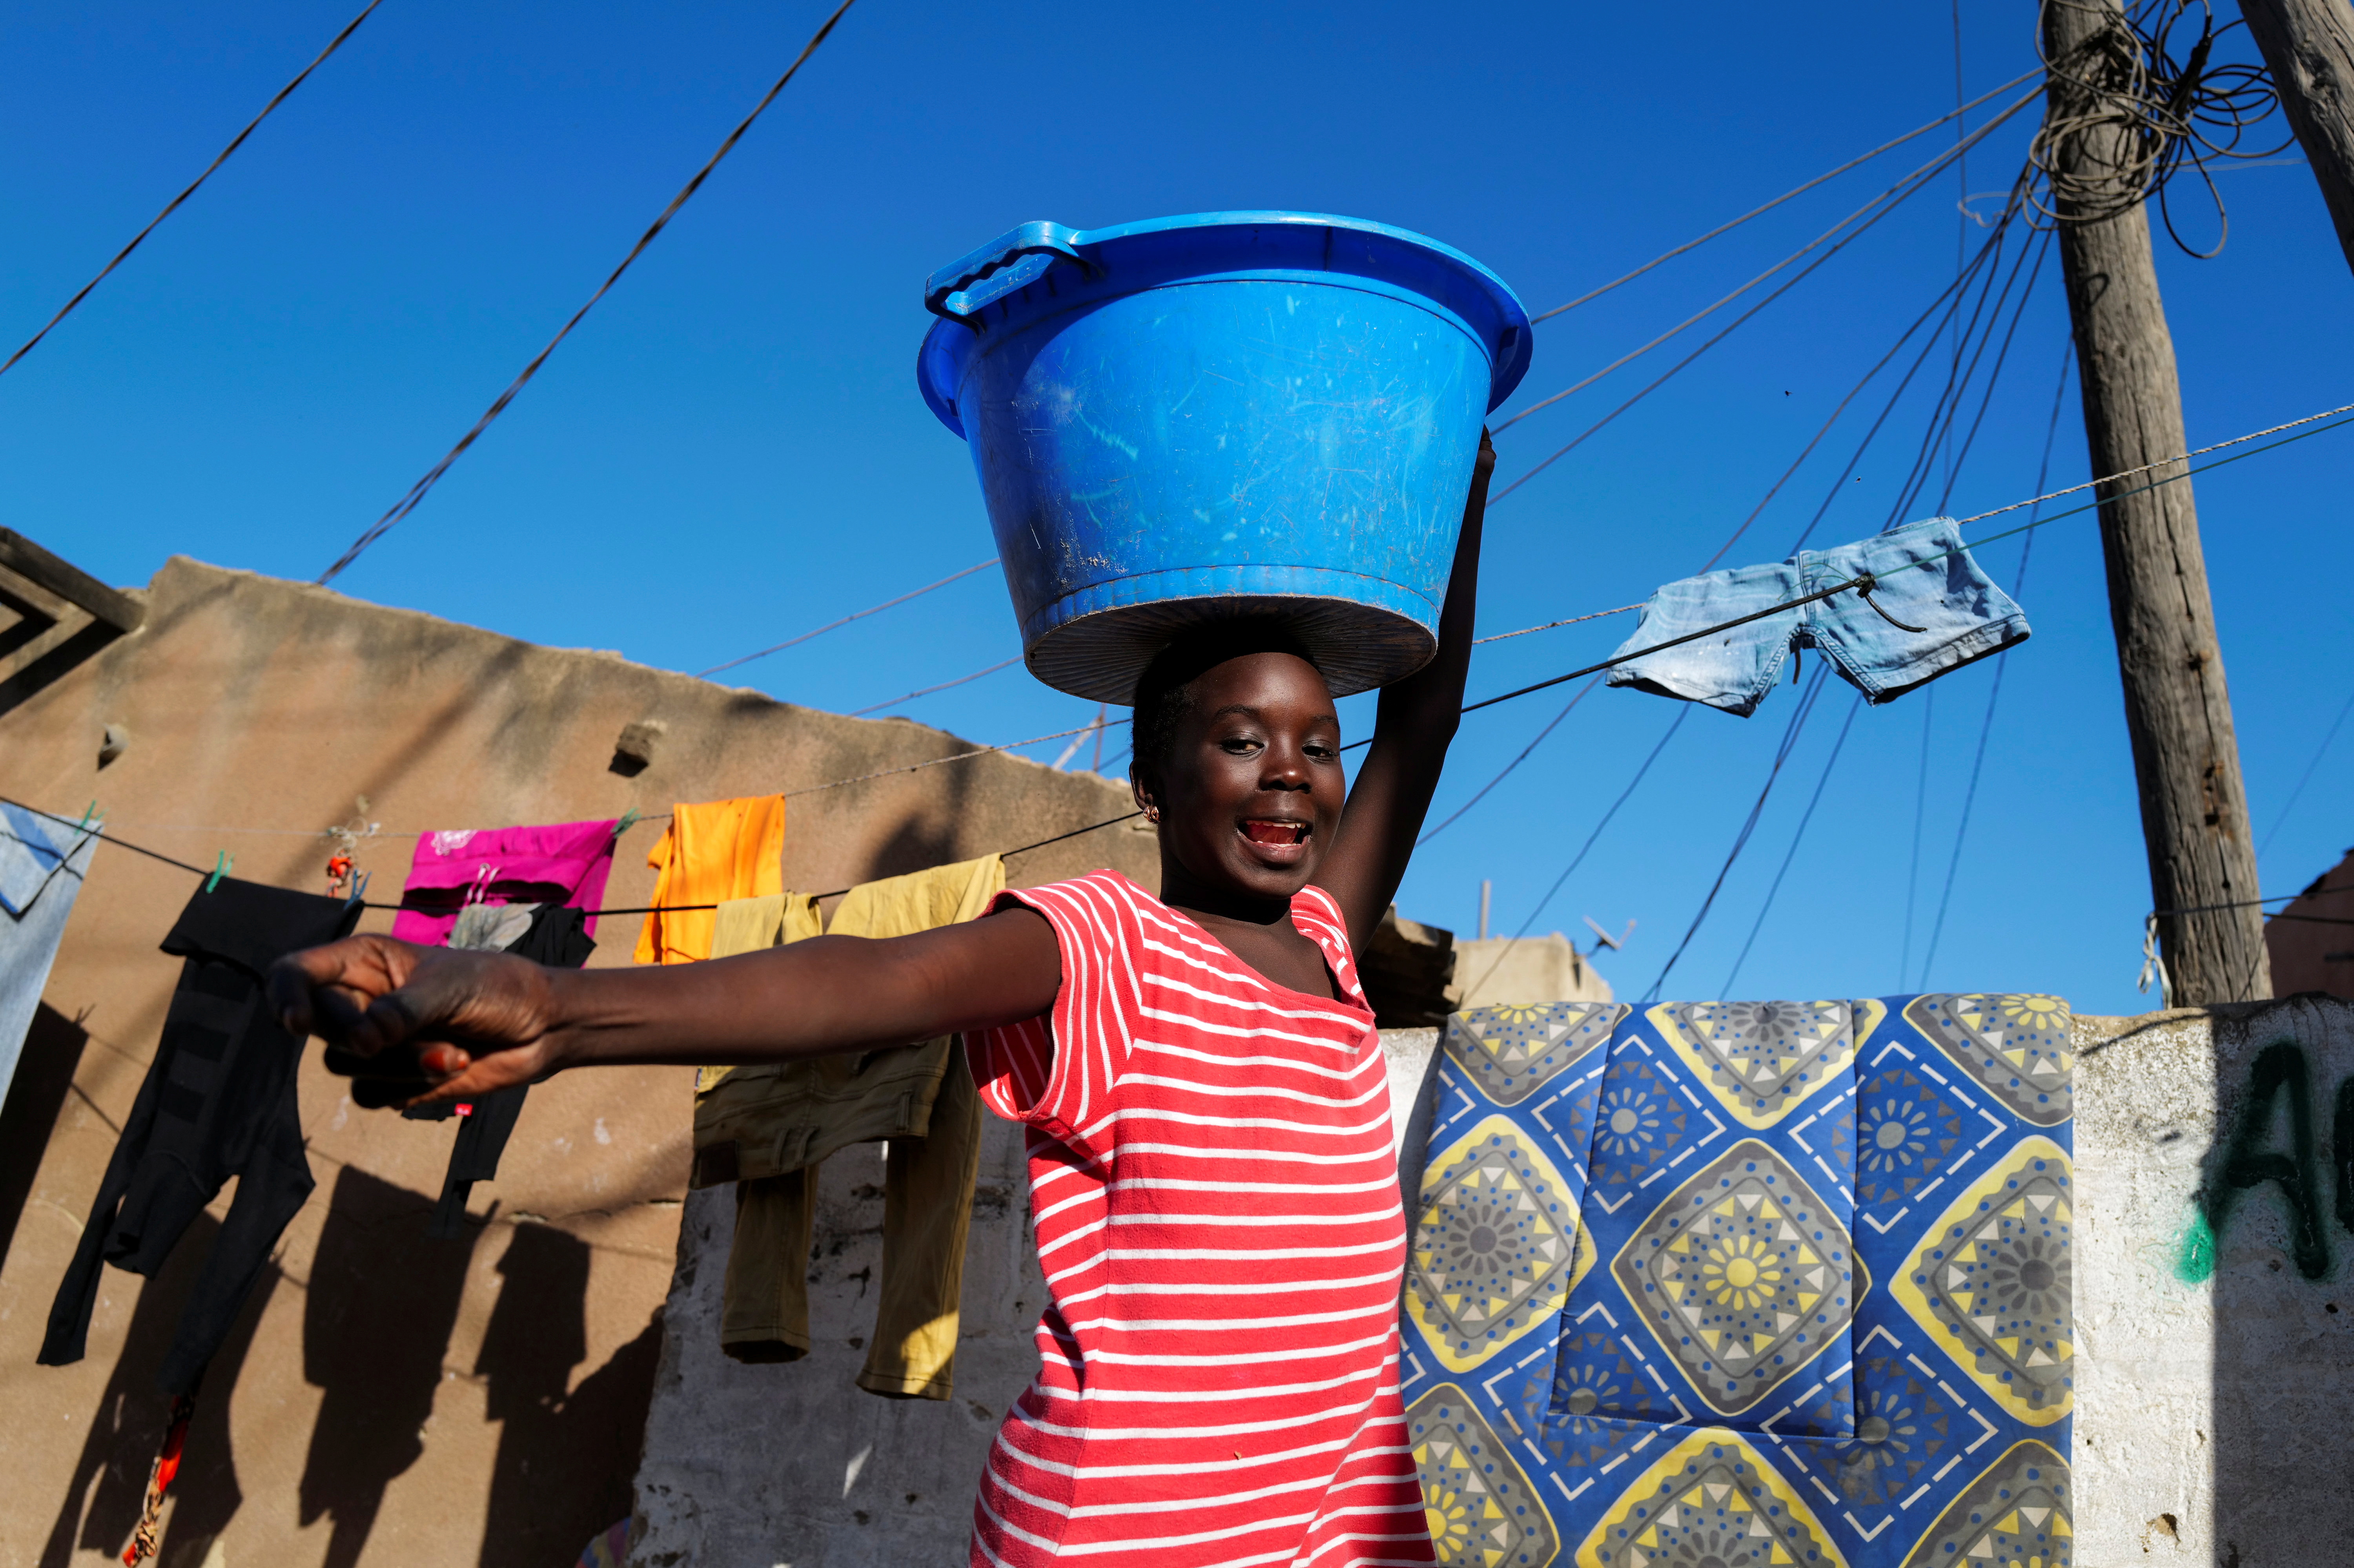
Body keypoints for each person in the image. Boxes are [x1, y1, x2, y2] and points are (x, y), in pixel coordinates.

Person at [268, 432, 1495, 1568]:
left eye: (1316, 745)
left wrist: (1451, 490)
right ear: (1153, 779)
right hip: (1128, 1529)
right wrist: (556, 1003)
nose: (1289, 770)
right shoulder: (1112, 942)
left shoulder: (1331, 944)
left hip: (1338, 1516)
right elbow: (875, 978)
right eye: (1240, 740)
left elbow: (1426, 718)